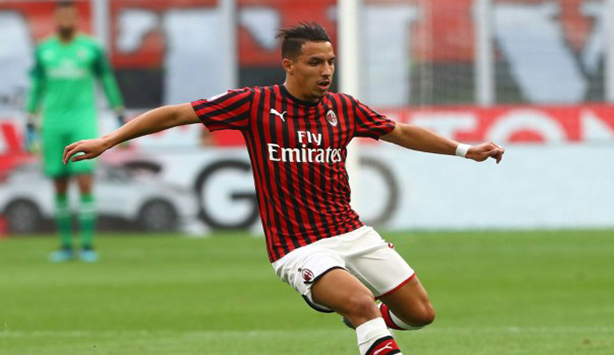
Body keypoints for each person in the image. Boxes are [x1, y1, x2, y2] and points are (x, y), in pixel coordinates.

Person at [63, 22, 504, 355]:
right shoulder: (255, 104)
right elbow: (176, 114)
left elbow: (401, 131)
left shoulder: (343, 109)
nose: (326, 71)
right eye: (316, 62)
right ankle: (358, 317)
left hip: (351, 231)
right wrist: (107, 140)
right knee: (361, 306)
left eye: (330, 62)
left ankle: (363, 321)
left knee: (421, 314)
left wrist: (466, 150)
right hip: (298, 245)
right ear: (289, 64)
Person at [25, 0, 125, 263]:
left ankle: (88, 244)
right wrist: (30, 119)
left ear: (76, 19)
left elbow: (106, 80)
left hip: (83, 121)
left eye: (70, 16)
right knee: (59, 184)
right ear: (56, 19)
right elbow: (36, 86)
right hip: (53, 123)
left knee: (84, 180)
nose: (66, 21)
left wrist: (118, 112)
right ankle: (67, 245)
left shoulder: (91, 48)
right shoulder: (44, 50)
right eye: (62, 17)